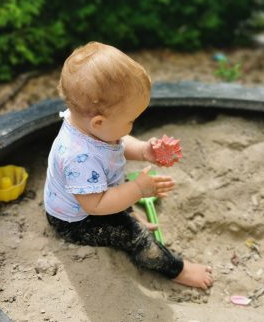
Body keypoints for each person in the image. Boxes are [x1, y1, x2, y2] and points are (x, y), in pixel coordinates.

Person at [43, 41, 213, 289]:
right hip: (77, 222)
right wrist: (138, 190)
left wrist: (144, 150)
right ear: (99, 123)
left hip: (96, 196)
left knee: (123, 204)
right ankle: (178, 270)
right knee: (135, 236)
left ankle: (127, 214)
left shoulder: (90, 125)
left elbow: (119, 141)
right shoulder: (78, 157)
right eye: (131, 120)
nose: (132, 125)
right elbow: (97, 206)